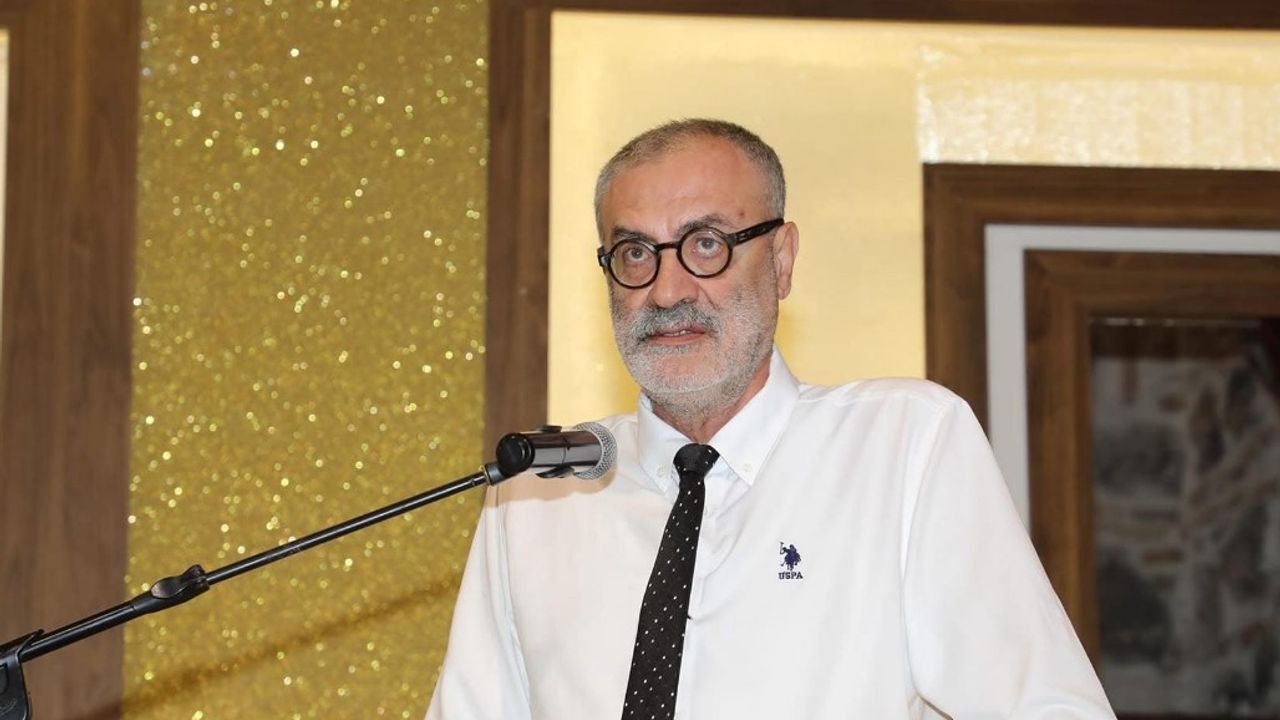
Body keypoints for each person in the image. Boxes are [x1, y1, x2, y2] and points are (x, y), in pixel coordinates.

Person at [426, 119, 1115, 719]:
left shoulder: (903, 445)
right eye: (635, 253)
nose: (666, 291)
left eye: (706, 244)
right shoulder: (539, 493)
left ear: (781, 261)